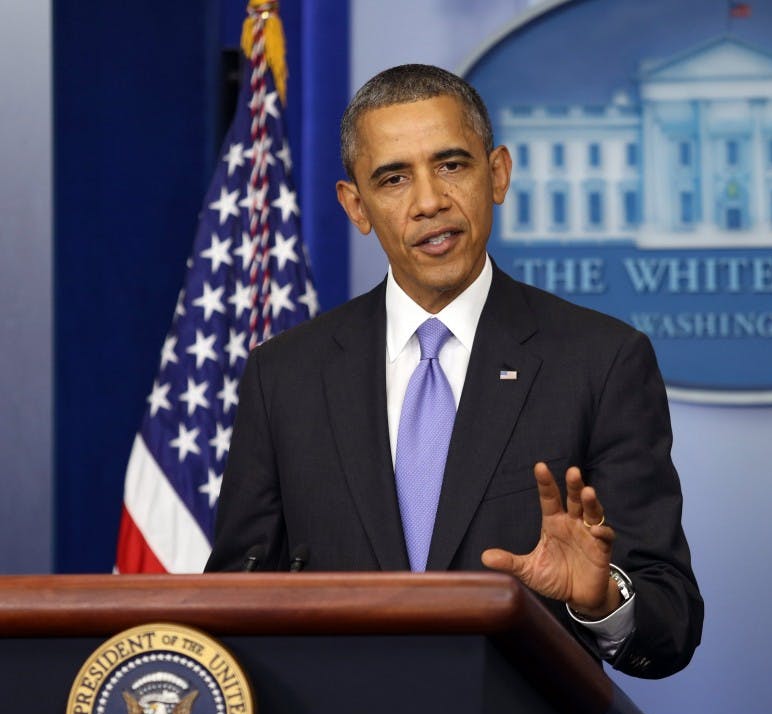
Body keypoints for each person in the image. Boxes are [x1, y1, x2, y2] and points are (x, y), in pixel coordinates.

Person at [206, 64, 702, 679]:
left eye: (451, 166)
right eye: (393, 179)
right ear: (355, 205)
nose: (429, 201)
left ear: (497, 174)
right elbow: (233, 598)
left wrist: (600, 599)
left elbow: (671, 621)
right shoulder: (284, 376)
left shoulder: (600, 361)